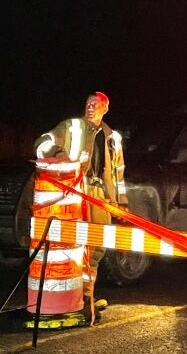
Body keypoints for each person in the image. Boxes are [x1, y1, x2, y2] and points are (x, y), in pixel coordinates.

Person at [33, 92, 128, 324]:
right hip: (75, 195)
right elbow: (40, 143)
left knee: (97, 247)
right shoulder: (71, 127)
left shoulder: (112, 137)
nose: (90, 107)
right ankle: (74, 298)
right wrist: (59, 153)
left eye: (96, 105)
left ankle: (86, 295)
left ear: (106, 108)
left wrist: (120, 203)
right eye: (88, 104)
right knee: (75, 247)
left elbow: (119, 173)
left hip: (101, 198)